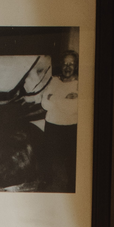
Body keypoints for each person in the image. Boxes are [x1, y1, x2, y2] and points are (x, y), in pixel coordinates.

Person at [39, 50, 79, 190]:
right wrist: (64, 99)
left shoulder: (79, 84)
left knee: (71, 160)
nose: (68, 67)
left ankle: (72, 186)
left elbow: (72, 108)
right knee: (48, 157)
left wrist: (54, 98)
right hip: (52, 124)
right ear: (61, 65)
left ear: (76, 66)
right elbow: (45, 104)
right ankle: (47, 181)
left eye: (71, 64)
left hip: (70, 126)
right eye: (65, 64)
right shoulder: (54, 81)